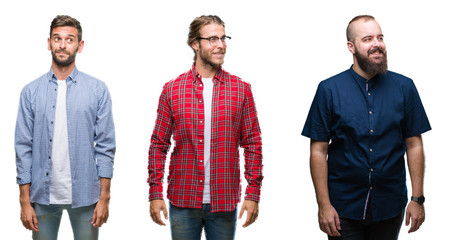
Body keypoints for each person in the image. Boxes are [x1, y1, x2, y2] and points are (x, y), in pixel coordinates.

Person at [302, 15, 430, 240]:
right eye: (368, 39)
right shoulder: (329, 90)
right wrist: (323, 205)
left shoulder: (405, 87)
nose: (377, 44)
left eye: (380, 37)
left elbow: (414, 145)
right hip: (343, 208)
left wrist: (417, 198)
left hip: (390, 206)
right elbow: (318, 151)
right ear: (351, 46)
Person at [147, 15, 263, 240]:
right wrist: (155, 193)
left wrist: (253, 194)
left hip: (224, 202)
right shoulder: (172, 90)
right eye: (212, 39)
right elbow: (158, 145)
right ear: (195, 44)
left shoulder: (241, 90)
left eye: (223, 38)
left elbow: (252, 144)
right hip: (183, 200)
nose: (221, 45)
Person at [15, 15, 116, 240]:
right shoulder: (30, 92)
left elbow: (106, 146)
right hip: (41, 195)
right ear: (48, 43)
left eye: (69, 39)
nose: (62, 45)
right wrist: (24, 200)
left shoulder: (97, 90)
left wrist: (104, 198)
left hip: (86, 196)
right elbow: (23, 147)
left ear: (79, 46)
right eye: (57, 38)